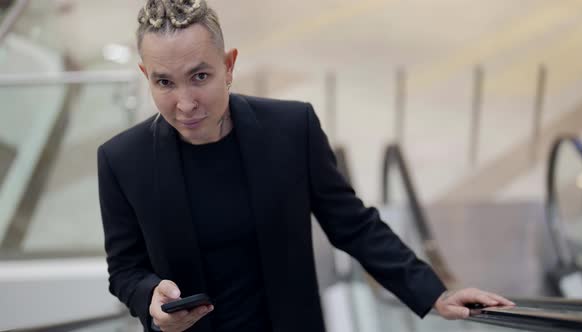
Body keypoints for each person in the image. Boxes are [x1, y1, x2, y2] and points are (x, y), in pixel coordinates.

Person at [97, 0, 514, 331]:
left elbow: (353, 224)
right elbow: (125, 270)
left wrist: (433, 294)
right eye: (164, 82)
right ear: (144, 75)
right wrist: (152, 300)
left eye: (200, 76)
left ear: (228, 67)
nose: (184, 103)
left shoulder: (291, 129)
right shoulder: (121, 161)